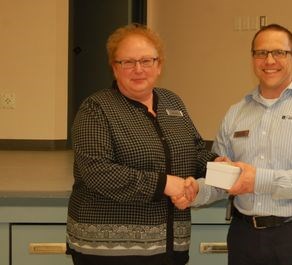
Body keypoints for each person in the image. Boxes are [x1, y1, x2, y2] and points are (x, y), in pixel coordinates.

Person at [176, 23, 292, 265]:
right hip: (245, 236)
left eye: (279, 53)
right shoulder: (235, 114)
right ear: (253, 59)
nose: (269, 60)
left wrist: (258, 180)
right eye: (261, 53)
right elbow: (224, 178)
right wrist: (195, 191)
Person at [66, 23, 221, 265]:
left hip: (170, 247)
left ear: (159, 65)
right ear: (114, 68)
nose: (138, 69)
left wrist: (216, 164)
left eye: (146, 61)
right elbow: (98, 172)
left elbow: (194, 150)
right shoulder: (96, 109)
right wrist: (165, 184)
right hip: (109, 252)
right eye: (127, 62)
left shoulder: (172, 101)